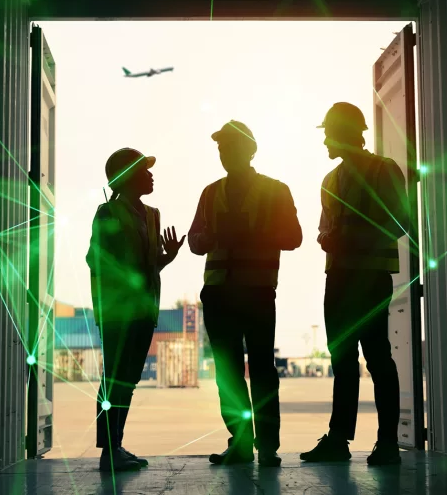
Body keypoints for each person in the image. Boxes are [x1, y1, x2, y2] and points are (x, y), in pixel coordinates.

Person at [188, 120, 302, 467]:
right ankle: (240, 442)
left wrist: (253, 231)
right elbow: (195, 242)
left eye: (232, 147)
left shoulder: (275, 190)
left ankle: (267, 447)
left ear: (250, 150)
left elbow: (294, 238)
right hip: (220, 293)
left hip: (256, 292)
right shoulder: (210, 193)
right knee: (228, 373)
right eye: (221, 148)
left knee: (263, 370)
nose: (225, 154)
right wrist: (211, 237)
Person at [300, 102, 408, 467]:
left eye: (328, 133)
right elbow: (325, 228)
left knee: (378, 358)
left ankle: (388, 443)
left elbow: (400, 221)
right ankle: (338, 439)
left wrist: (350, 238)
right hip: (340, 279)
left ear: (345, 133)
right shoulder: (330, 180)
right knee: (343, 359)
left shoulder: (383, 170)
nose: (325, 142)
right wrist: (329, 238)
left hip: (370, 277)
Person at [86, 148, 185, 472]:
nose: (151, 175)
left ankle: (116, 445)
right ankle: (108, 450)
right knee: (114, 378)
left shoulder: (154, 214)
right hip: (118, 312)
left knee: (127, 379)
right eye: (144, 170)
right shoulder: (108, 213)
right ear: (127, 176)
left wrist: (165, 259)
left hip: (145, 310)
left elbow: (149, 264)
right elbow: (96, 259)